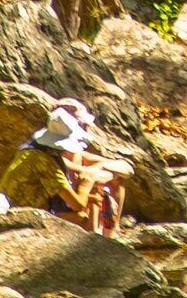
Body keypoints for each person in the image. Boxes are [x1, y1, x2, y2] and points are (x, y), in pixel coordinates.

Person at [18, 96, 132, 236]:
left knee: (114, 180)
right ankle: (97, 235)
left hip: (72, 206)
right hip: (49, 212)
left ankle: (111, 231)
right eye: (83, 125)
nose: (86, 128)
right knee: (94, 185)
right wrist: (91, 177)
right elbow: (77, 202)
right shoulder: (48, 158)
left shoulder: (77, 154)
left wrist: (99, 169)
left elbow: (127, 169)